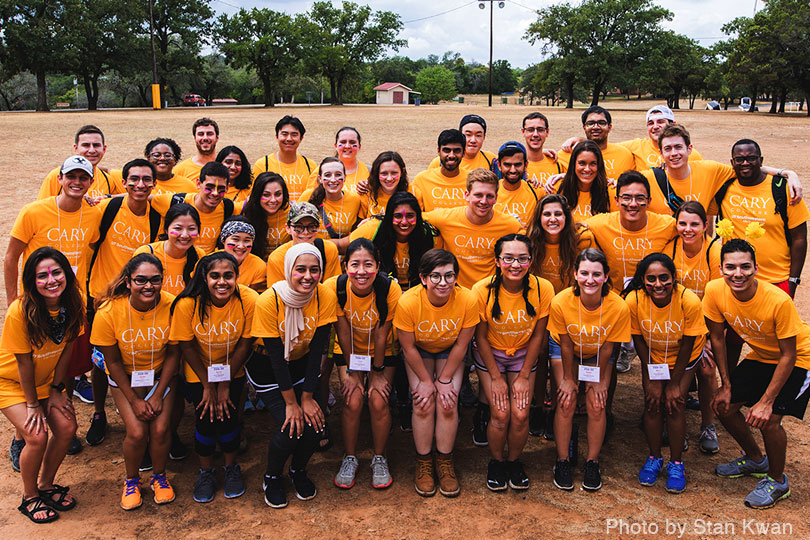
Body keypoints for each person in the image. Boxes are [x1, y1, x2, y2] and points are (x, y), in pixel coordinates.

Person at [7, 156, 103, 455]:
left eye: (83, 178)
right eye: (71, 176)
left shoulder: (93, 212)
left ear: (90, 182)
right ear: (59, 178)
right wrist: (14, 301)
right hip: (37, 303)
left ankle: (63, 418)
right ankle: (21, 435)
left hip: (73, 303)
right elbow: (11, 258)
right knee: (33, 363)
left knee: (67, 363)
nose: (77, 182)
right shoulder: (34, 211)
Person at [705, 239, 810, 509]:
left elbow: (789, 354)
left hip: (800, 358)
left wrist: (766, 401)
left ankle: (777, 480)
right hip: (762, 355)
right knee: (723, 406)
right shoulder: (714, 290)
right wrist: (725, 384)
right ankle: (755, 459)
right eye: (730, 267)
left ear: (756, 268)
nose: (737, 273)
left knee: (770, 420)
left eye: (744, 267)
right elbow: (718, 338)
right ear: (720, 268)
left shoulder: (777, 300)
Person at [247, 243, 337, 508]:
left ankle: (298, 470)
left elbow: (317, 350)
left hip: (301, 366)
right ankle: (272, 477)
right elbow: (275, 356)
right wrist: (292, 404)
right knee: (291, 428)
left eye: (314, 270)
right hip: (268, 371)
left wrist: (307, 398)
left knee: (315, 426)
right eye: (300, 269)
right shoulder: (269, 300)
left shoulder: (324, 296)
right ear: (288, 270)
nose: (308, 276)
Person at [90, 253, 180, 510]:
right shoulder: (109, 311)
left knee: (162, 430)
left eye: (155, 280)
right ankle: (131, 481)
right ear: (128, 282)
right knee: (138, 432)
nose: (148, 286)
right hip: (125, 379)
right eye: (140, 280)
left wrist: (157, 394)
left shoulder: (172, 305)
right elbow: (113, 363)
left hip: (161, 376)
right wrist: (134, 400)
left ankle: (159, 477)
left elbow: (174, 353)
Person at [1, 247, 83, 523]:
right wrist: (34, 405)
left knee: (68, 427)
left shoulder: (73, 303)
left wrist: (58, 389)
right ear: (31, 281)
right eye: (42, 276)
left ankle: (46, 485)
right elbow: (24, 363)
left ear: (66, 274)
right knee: (36, 436)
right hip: (12, 383)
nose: (51, 280)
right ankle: (30, 496)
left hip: (47, 382)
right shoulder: (20, 311)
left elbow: (67, 350)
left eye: (57, 272)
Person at [85, 158, 162, 448]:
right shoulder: (108, 208)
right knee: (102, 360)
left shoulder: (156, 215)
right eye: (134, 179)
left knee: (138, 350)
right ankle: (98, 413)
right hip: (103, 297)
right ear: (125, 182)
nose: (140, 185)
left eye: (146, 180)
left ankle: (143, 410)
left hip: (138, 293)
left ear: (154, 184)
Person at [170, 252, 258, 503]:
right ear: (204, 278)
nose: (222, 282)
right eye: (215, 276)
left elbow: (245, 344)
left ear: (237, 277)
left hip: (233, 368)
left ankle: (231, 467)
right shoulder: (187, 304)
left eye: (228, 276)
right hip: (199, 372)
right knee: (206, 419)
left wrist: (226, 383)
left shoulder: (249, 299)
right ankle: (206, 471)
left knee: (229, 417)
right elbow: (186, 347)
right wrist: (209, 386)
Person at [393, 249, 479, 498]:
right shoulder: (408, 302)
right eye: (436, 276)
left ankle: (444, 461)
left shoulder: (467, 300)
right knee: (422, 403)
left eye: (449, 276)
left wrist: (442, 381)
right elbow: (407, 347)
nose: (443, 283)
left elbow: (462, 345)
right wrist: (424, 381)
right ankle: (423, 462)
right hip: (418, 353)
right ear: (423, 278)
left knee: (448, 401)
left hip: (449, 352)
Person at [471, 234, 553, 491]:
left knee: (520, 414)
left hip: (523, 356)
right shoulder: (482, 290)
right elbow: (480, 337)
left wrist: (524, 376)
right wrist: (495, 378)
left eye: (522, 259)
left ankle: (514, 461)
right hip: (492, 355)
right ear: (497, 261)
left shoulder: (543, 288)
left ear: (530, 260)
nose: (515, 265)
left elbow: (539, 335)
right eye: (508, 258)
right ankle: (496, 462)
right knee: (500, 412)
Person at [547, 248, 631, 492]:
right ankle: (562, 461)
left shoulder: (618, 306)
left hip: (598, 352)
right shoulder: (561, 301)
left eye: (597, 274)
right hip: (568, 350)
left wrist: (600, 382)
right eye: (584, 273)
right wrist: (569, 380)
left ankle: (592, 462)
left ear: (606, 277)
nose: (590, 280)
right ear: (575, 274)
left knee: (597, 402)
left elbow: (608, 350)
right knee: (566, 399)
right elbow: (564, 344)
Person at [624, 253, 707, 494]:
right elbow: (638, 339)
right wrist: (651, 375)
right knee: (652, 402)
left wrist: (673, 383)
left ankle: (676, 463)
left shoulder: (688, 301)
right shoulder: (635, 300)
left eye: (664, 278)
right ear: (643, 279)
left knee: (675, 403)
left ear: (674, 278)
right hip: (655, 357)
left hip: (684, 358)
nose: (658, 284)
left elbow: (689, 344)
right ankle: (654, 457)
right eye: (651, 279)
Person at [327, 239, 402, 489]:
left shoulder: (389, 288)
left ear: (378, 266)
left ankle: (379, 458)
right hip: (350, 352)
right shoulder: (335, 288)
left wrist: (378, 372)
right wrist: (351, 371)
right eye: (355, 264)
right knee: (353, 398)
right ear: (345, 265)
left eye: (368, 264)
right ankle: (350, 458)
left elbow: (383, 334)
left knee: (378, 400)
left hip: (382, 352)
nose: (361, 272)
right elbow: (343, 332)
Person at [585, 171, 677, 373]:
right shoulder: (600, 223)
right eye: (626, 197)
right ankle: (623, 350)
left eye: (639, 198)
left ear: (649, 201)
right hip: (614, 300)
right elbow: (570, 227)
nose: (633, 204)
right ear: (617, 200)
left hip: (651, 299)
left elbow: (693, 230)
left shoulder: (667, 224)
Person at [525, 194, 594, 438]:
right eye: (547, 214)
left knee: (560, 358)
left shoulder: (581, 239)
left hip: (568, 309)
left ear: (567, 217)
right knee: (540, 353)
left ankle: (555, 408)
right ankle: (537, 405)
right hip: (539, 307)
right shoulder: (530, 239)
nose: (553, 219)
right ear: (539, 217)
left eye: (558, 214)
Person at [708, 139, 808, 297]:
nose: (745, 163)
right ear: (732, 163)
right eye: (739, 159)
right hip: (736, 279)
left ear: (761, 160)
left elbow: (799, 238)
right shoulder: (724, 188)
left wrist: (793, 280)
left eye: (752, 158)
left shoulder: (783, 189)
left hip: (776, 279)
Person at [641, 124, 800, 216]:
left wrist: (786, 173)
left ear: (689, 149)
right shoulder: (648, 178)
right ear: (661, 153)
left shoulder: (710, 170)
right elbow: (622, 187)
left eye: (678, 147)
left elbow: (746, 168)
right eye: (668, 149)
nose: (674, 153)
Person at [665, 201, 721, 453]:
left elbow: (719, 300)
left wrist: (708, 339)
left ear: (705, 225)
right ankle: (675, 424)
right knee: (670, 371)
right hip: (674, 325)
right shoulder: (670, 248)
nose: (688, 229)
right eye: (682, 223)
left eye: (694, 224)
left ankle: (708, 425)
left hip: (705, 326)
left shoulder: (714, 251)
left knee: (707, 370)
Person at [424, 168, 522, 289]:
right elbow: (413, 218)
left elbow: (534, 237)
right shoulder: (446, 218)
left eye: (489, 196)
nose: (483, 201)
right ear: (467, 195)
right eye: (478, 195)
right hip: (456, 291)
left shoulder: (510, 225)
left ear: (496, 198)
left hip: (490, 292)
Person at [350, 192, 441, 289]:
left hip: (418, 290)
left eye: (410, 216)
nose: (404, 222)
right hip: (381, 289)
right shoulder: (374, 227)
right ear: (389, 217)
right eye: (398, 216)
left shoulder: (429, 234)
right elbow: (344, 245)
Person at [149, 161, 237, 254]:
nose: (215, 193)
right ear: (199, 184)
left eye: (221, 188)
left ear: (227, 188)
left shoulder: (227, 207)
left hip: (205, 265)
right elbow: (143, 198)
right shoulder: (176, 201)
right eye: (209, 187)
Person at [134, 203, 205, 296]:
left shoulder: (200, 256)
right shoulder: (147, 253)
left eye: (191, 229)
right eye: (178, 228)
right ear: (166, 229)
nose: (184, 235)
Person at [37, 125, 124, 200]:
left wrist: (108, 197)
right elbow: (41, 210)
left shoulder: (108, 180)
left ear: (104, 149)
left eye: (96, 145)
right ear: (76, 148)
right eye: (86, 145)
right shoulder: (58, 176)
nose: (92, 150)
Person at [265, 202, 342, 287]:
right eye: (298, 227)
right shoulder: (277, 258)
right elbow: (277, 294)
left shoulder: (328, 250)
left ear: (318, 228)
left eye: (311, 227)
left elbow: (332, 287)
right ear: (288, 228)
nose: (305, 232)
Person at [556, 106, 634, 183]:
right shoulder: (566, 154)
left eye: (601, 123)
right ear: (584, 127)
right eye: (591, 123)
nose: (596, 127)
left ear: (609, 127)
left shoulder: (624, 154)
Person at [252, 116, 318, 202]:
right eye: (284, 134)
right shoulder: (262, 165)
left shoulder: (311, 166)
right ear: (277, 136)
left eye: (294, 135)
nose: (289, 139)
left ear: (301, 138)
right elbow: (255, 197)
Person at [620, 105, 704, 171]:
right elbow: (609, 149)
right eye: (651, 123)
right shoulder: (636, 146)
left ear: (673, 124)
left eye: (660, 122)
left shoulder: (691, 155)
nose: (655, 126)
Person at [299, 157, 362, 241]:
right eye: (327, 175)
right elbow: (293, 225)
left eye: (338, 175)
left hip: (340, 252)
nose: (333, 180)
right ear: (320, 178)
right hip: (312, 251)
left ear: (345, 177)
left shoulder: (355, 200)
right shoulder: (308, 196)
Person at [555, 140, 616, 222]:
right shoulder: (557, 188)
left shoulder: (611, 192)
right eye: (582, 163)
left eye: (593, 164)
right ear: (574, 164)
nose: (587, 169)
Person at [412, 129, 469, 211]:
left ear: (463, 153)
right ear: (438, 151)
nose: (451, 155)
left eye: (456, 151)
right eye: (446, 150)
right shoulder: (422, 180)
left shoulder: (472, 181)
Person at [491, 141, 541, 228]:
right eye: (507, 165)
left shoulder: (537, 191)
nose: (513, 170)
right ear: (499, 165)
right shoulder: (490, 192)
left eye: (517, 165)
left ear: (526, 165)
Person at [241, 172, 291, 260]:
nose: (273, 200)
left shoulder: (292, 213)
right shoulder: (242, 210)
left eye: (278, 194)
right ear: (257, 195)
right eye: (266, 195)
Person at [429, 115, 495, 172]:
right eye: (468, 135)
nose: (473, 140)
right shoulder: (440, 162)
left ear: (484, 137)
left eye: (478, 135)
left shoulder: (491, 160)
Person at [218, 217, 266, 292]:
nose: (241, 246)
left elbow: (250, 296)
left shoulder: (258, 265)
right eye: (235, 239)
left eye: (247, 241)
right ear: (223, 240)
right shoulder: (208, 262)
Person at [359, 151, 410, 219]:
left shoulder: (413, 192)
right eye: (384, 173)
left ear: (402, 172)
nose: (389, 178)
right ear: (377, 173)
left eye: (394, 173)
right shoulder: (367, 193)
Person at [520, 112, 564, 183]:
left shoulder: (557, 163)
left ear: (547, 132)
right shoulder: (514, 165)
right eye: (530, 130)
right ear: (523, 132)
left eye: (540, 130)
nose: (535, 134)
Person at [331, 126, 368, 192]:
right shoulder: (322, 171)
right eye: (343, 142)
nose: (347, 146)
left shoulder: (369, 172)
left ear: (359, 146)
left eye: (352, 142)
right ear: (336, 146)